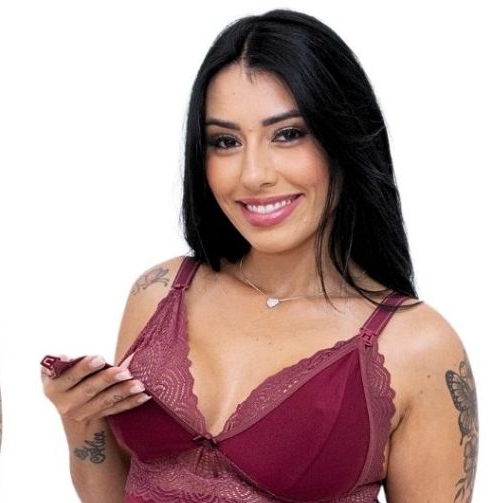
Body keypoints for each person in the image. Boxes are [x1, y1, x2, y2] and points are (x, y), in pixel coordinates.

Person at [41, 8, 478, 503]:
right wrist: (81, 420)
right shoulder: (158, 293)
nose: (253, 174)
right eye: (225, 142)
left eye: (287, 134)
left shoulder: (418, 346)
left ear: (344, 136)